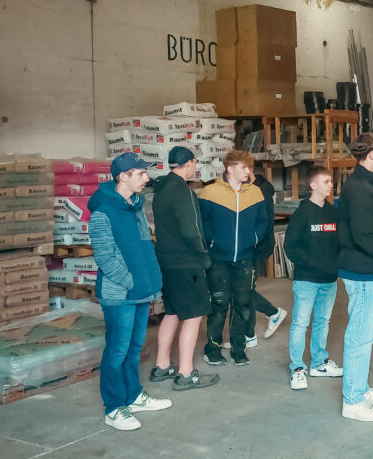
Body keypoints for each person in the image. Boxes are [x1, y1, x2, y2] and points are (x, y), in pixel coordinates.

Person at [89, 152, 171, 431]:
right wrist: (130, 282)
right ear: (123, 176)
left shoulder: (135, 206)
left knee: (135, 348)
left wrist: (151, 280)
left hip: (140, 291)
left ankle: (133, 396)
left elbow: (145, 246)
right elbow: (105, 257)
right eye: (141, 173)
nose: (146, 178)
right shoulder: (103, 211)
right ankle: (114, 407)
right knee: (117, 351)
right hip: (120, 294)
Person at [149, 146, 219, 391]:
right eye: (195, 164)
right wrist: (203, 257)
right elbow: (192, 231)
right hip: (186, 263)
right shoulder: (183, 191)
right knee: (193, 315)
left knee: (172, 312)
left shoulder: (161, 189)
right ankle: (186, 373)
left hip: (166, 261)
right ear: (189, 163)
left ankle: (161, 366)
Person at [336, 132, 373, 422]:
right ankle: (353, 400)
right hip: (362, 270)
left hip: (369, 269)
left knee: (366, 334)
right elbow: (365, 235)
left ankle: (360, 387)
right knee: (359, 335)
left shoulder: (369, 183)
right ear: (370, 154)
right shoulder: (359, 187)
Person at [199, 149, 270, 367]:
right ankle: (213, 349)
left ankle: (239, 349)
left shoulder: (255, 193)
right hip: (218, 259)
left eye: (250, 167)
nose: (249, 171)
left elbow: (263, 221)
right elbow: (203, 224)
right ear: (230, 168)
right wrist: (212, 243)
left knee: (243, 305)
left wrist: (253, 239)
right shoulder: (210, 192)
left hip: (245, 258)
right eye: (244, 167)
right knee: (219, 305)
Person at [283, 166, 342, 390]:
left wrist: (334, 265)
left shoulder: (333, 213)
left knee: (322, 322)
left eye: (331, 181)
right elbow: (291, 247)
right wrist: (311, 263)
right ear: (313, 185)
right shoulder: (302, 214)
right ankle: (297, 369)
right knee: (300, 323)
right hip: (307, 280)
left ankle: (319, 363)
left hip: (329, 280)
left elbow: (340, 243)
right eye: (326, 182)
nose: (330, 185)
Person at [247, 172, 288, 347]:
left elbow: (260, 226)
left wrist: (250, 244)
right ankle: (248, 335)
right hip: (254, 247)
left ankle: (272, 314)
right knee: (243, 288)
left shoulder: (259, 193)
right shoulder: (257, 189)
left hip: (257, 248)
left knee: (245, 289)